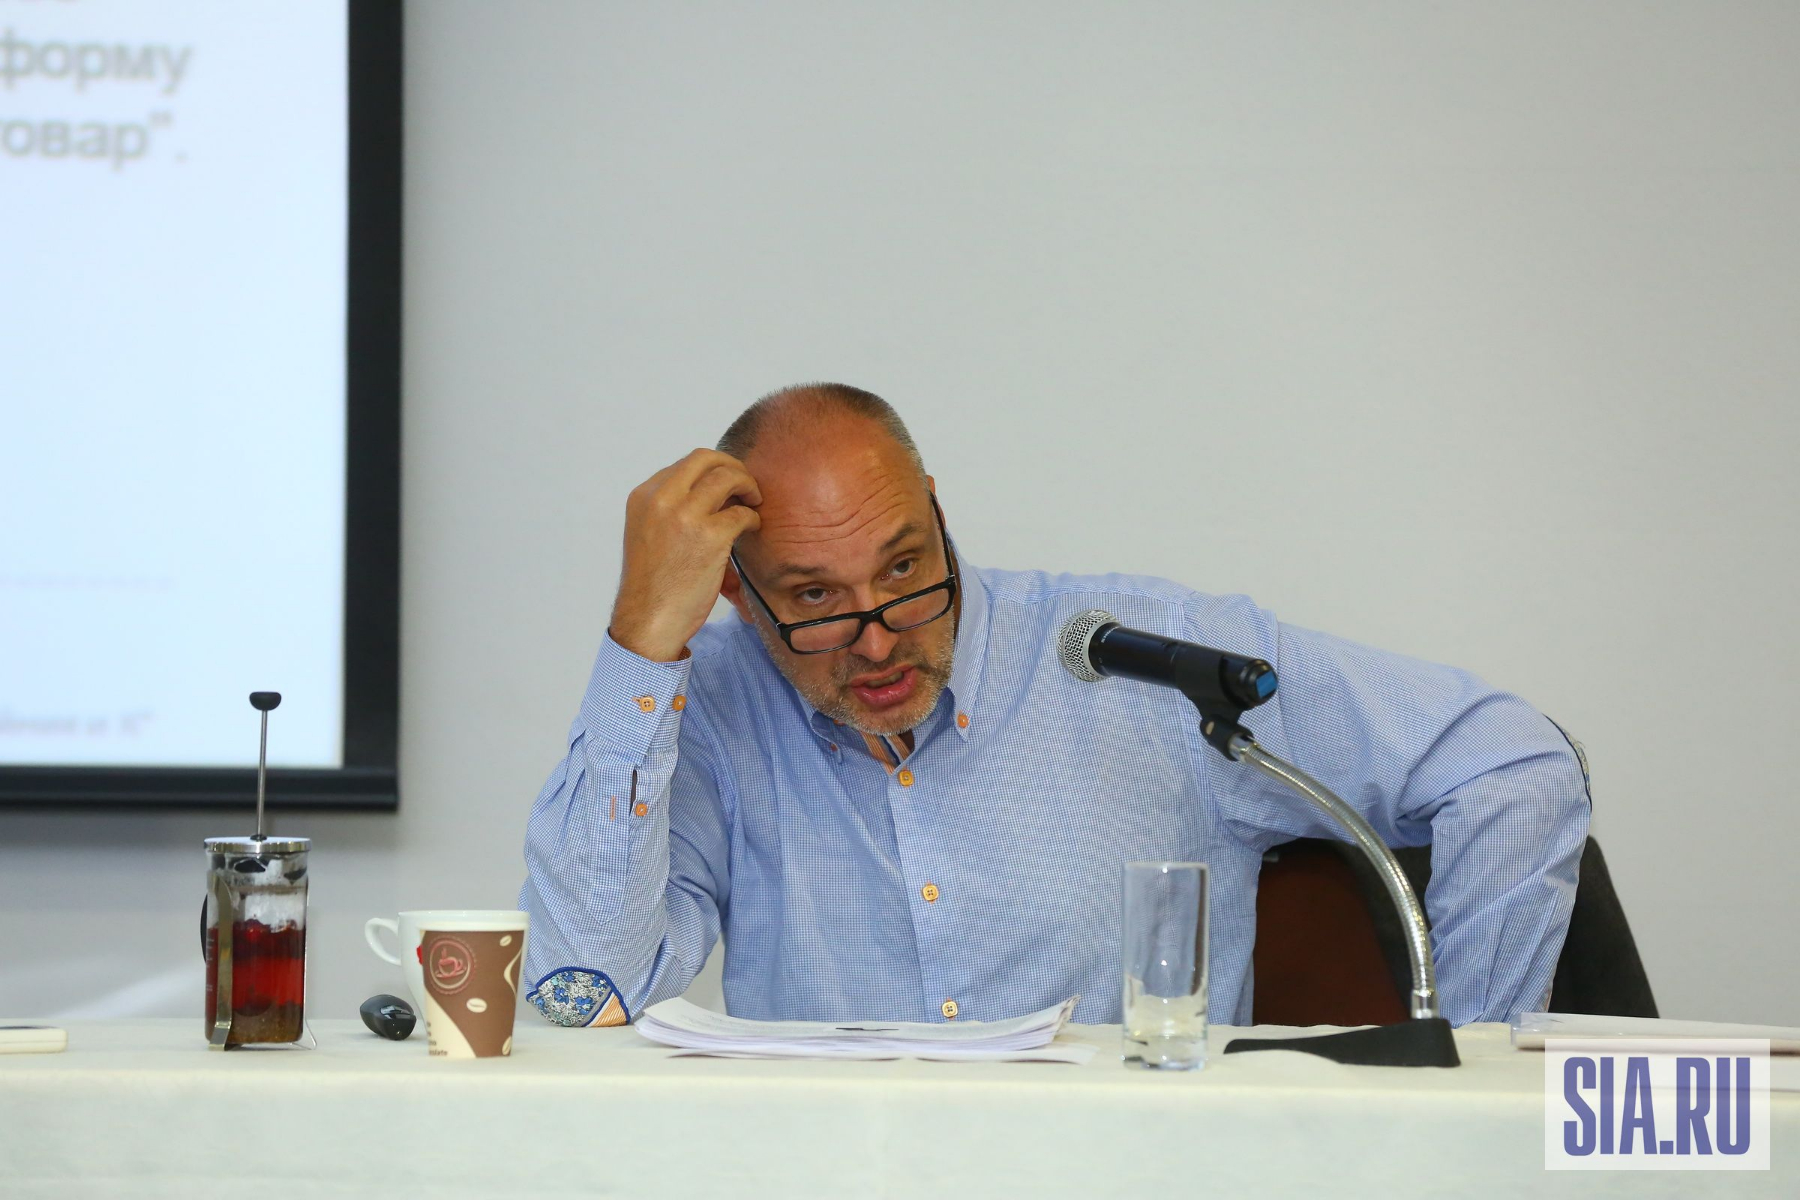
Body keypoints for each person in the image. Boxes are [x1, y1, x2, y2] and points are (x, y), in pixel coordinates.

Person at [517, 383, 1589, 1029]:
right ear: (736, 594)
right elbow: (584, 992)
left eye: (905, 569)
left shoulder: (1148, 662)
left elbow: (1509, 762)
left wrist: (1474, 1076)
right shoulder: (711, 704)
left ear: (940, 517)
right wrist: (640, 645)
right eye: (813, 600)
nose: (878, 637)